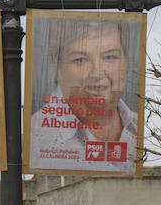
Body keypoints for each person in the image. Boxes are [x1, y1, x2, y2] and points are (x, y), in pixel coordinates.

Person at [28, 19, 137, 169]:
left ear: (126, 62)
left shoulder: (139, 129)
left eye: (109, 57)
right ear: (57, 65)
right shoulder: (33, 136)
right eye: (80, 60)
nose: (97, 73)